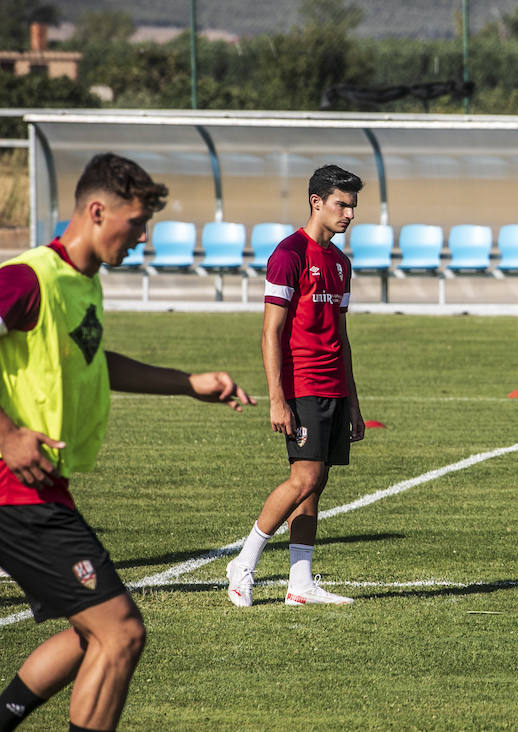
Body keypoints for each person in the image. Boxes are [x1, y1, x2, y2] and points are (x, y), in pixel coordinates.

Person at [0, 152, 255, 731]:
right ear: (96, 211)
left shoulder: (81, 285)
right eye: (136, 224)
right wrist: (9, 434)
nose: (141, 238)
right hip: (13, 491)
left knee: (92, 635)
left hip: (40, 488)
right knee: (121, 633)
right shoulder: (30, 275)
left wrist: (188, 384)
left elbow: (95, 363)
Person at [225, 165, 365, 608]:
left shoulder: (341, 263)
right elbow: (271, 333)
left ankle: (300, 583)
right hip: (301, 385)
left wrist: (355, 403)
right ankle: (242, 565)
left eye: (353, 207)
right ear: (316, 202)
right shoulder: (288, 254)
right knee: (302, 477)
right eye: (342, 204)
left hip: (334, 388)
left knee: (316, 482)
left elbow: (341, 338)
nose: (348, 214)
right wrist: (277, 398)